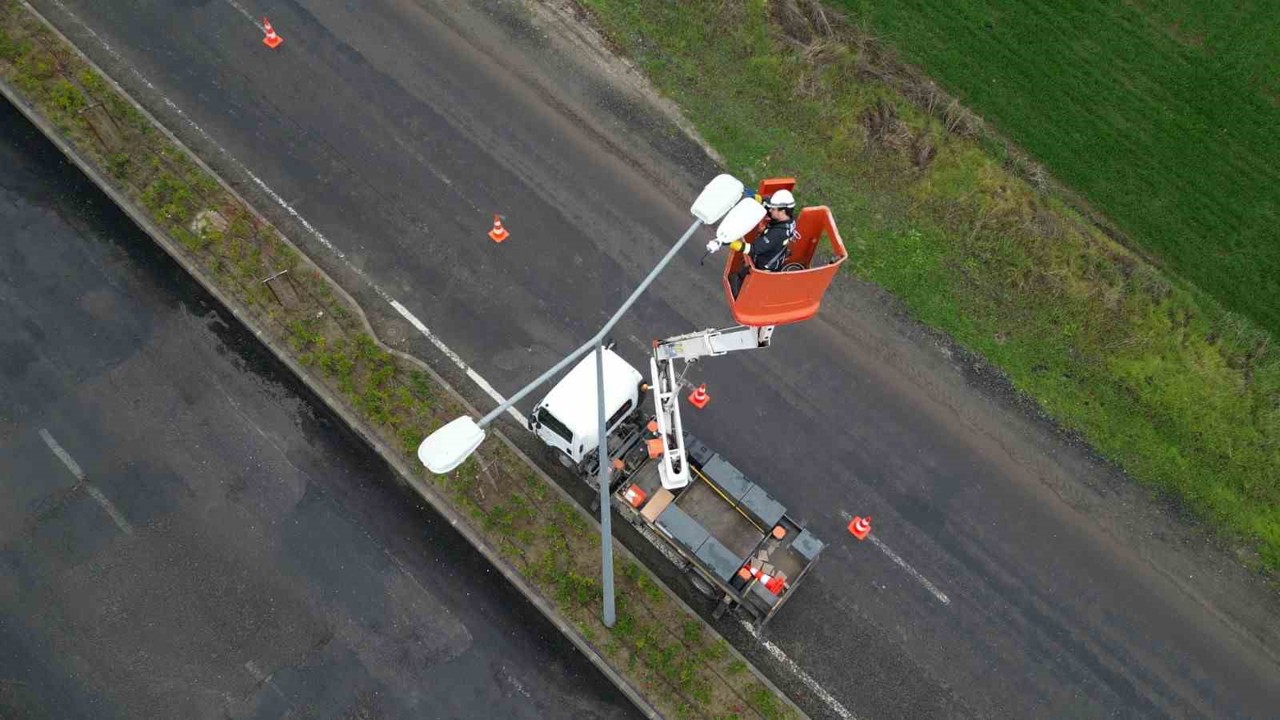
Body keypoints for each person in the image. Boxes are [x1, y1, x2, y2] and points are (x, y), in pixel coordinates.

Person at [730, 189, 798, 295]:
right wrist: (755, 198)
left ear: (782, 211)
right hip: (774, 255)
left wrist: (732, 243)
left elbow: (754, 249)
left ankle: (742, 293)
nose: (770, 210)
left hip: (764, 265)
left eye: (773, 209)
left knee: (740, 280)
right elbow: (767, 203)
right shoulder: (786, 219)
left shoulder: (777, 234)